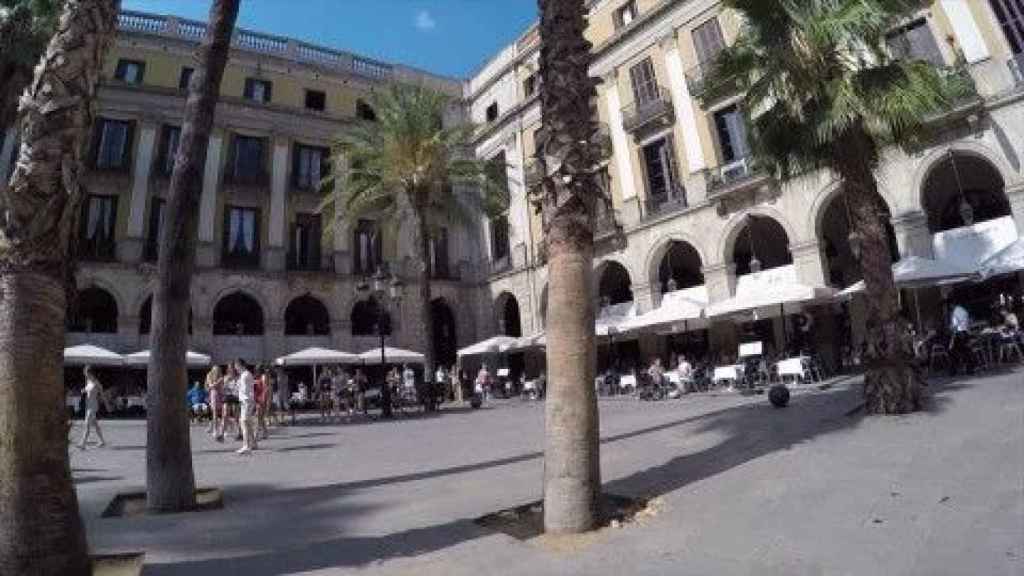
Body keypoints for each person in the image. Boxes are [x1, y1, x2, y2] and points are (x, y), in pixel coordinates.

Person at [78, 366, 107, 449]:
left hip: (93, 405)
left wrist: (107, 404)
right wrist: (83, 390)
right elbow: (87, 389)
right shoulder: (88, 381)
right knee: (95, 424)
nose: (84, 374)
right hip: (88, 405)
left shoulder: (96, 383)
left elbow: (102, 394)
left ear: (90, 373)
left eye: (85, 372)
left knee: (87, 424)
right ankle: (102, 441)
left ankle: (83, 443)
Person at [235, 359, 257, 454]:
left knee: (244, 422)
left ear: (239, 365)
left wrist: (237, 386)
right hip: (246, 400)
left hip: (246, 401)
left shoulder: (245, 375)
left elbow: (245, 390)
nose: (235, 368)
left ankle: (246, 445)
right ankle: (253, 443)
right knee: (247, 422)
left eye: (236, 366)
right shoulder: (245, 374)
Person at [947, 299, 973, 375]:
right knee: (966, 351)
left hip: (959, 333)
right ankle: (969, 369)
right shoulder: (963, 310)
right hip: (965, 332)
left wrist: (950, 330)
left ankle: (953, 370)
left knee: (953, 352)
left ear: (952, 305)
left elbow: (955, 325)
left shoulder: (955, 312)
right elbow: (968, 322)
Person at [206, 365, 224, 436]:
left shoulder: (221, 377)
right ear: (213, 371)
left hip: (221, 394)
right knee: (215, 412)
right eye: (215, 370)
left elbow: (222, 385)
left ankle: (220, 428)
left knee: (222, 412)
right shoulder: (209, 376)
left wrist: (218, 383)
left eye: (218, 370)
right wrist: (217, 382)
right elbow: (210, 386)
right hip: (213, 395)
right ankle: (215, 429)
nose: (217, 371)